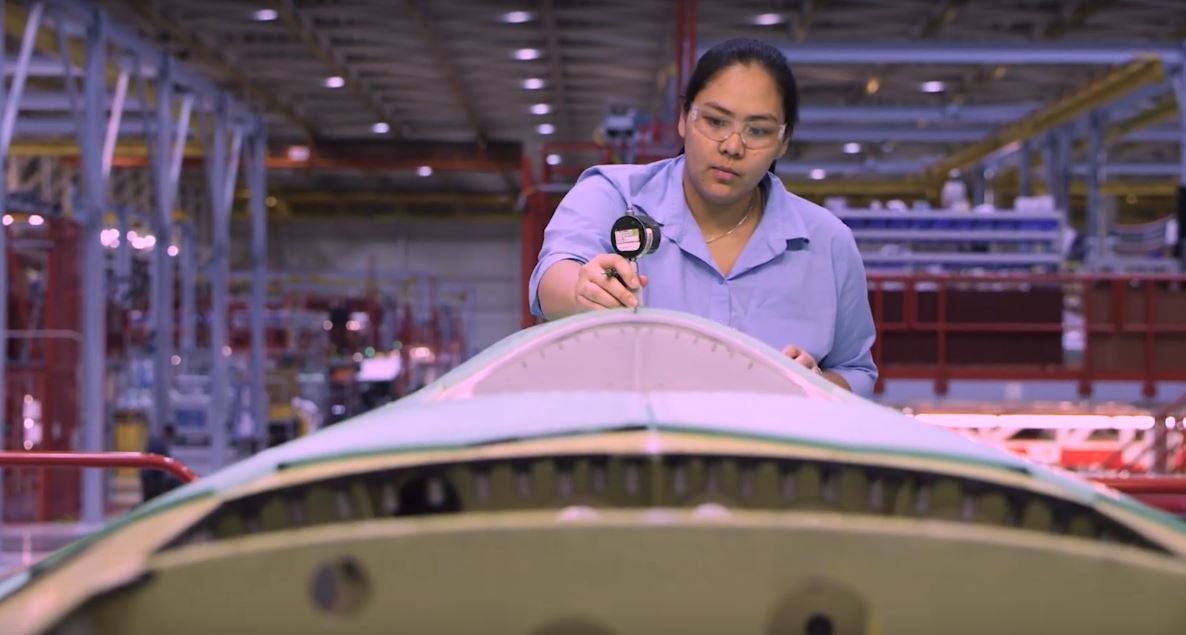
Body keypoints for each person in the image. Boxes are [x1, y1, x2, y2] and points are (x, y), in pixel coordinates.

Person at [528, 38, 878, 397]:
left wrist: (817, 385)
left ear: (783, 140)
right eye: (715, 121)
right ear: (683, 117)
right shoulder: (613, 196)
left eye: (757, 130)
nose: (732, 146)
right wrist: (580, 290)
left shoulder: (828, 242)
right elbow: (551, 278)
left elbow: (856, 370)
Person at [140, 423, 183, 503]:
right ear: (169, 433)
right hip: (152, 478)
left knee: (148, 500)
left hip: (147, 475)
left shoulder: (154, 440)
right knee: (151, 500)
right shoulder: (161, 444)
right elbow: (166, 461)